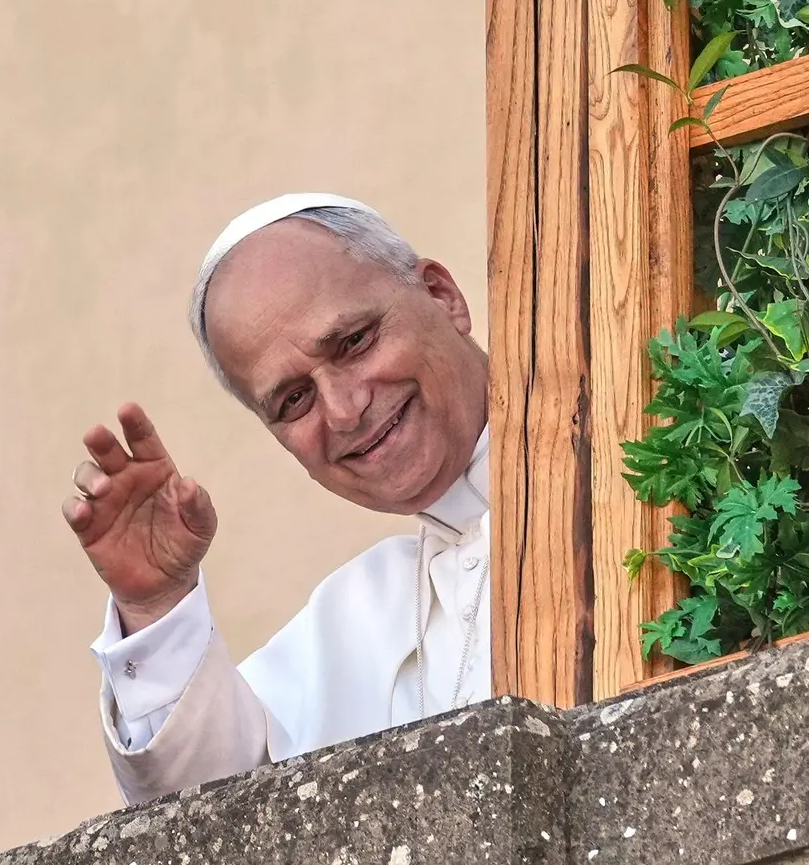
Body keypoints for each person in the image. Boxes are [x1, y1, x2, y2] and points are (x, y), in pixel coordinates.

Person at [60, 194, 492, 805]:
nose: (345, 411)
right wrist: (156, 606)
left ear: (443, 296)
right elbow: (215, 818)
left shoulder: (649, 446)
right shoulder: (357, 613)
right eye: (293, 400)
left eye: (353, 342)